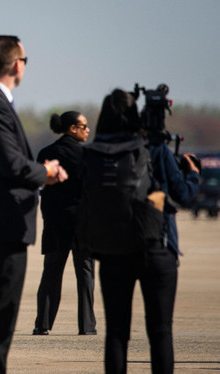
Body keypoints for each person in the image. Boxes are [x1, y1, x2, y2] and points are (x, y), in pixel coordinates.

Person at [0, 35, 67, 374]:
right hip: (1, 227)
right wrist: (46, 171)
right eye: (26, 60)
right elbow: (11, 164)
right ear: (17, 63)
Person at [83, 89, 199, 373]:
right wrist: (193, 172)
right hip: (156, 247)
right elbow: (182, 194)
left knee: (116, 333)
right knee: (160, 332)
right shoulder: (153, 148)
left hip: (112, 252)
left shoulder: (91, 154)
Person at [33, 111, 97, 336]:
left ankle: (43, 323)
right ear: (72, 128)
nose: (87, 129)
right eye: (84, 126)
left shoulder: (46, 153)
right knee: (86, 273)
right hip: (83, 222)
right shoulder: (88, 154)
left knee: (51, 272)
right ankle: (87, 326)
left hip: (55, 222)